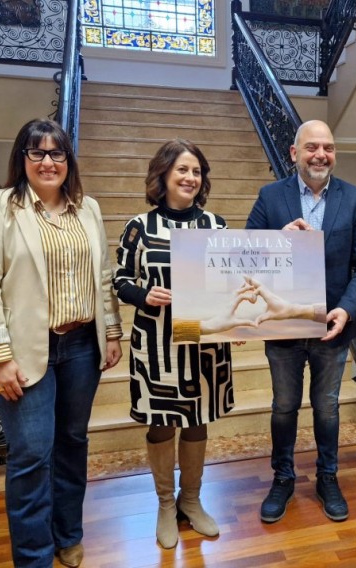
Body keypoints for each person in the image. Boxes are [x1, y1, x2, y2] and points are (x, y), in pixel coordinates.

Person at [0, 118, 123, 568]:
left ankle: (67, 534)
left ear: (68, 160)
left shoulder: (87, 208)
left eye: (57, 153)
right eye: (37, 152)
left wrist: (111, 332)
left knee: (72, 443)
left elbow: (103, 275)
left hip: (81, 348)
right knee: (32, 455)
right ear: (22, 159)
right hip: (22, 352)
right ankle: (33, 557)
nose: (48, 161)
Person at [245, 120, 356, 523]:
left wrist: (349, 308)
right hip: (283, 326)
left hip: (332, 327)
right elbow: (245, 254)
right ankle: (282, 478)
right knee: (284, 406)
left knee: (327, 408)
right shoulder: (271, 197)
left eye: (329, 147)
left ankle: (328, 477)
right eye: (312, 147)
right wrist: (277, 239)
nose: (321, 154)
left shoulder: (355, 199)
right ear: (294, 153)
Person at [113, 139, 242, 548]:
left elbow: (230, 283)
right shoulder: (140, 226)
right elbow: (119, 279)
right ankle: (166, 503)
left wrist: (237, 325)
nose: (190, 178)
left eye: (196, 171)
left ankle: (192, 500)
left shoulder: (216, 227)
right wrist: (142, 295)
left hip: (204, 343)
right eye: (182, 170)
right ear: (164, 175)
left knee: (198, 418)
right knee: (162, 421)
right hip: (157, 343)